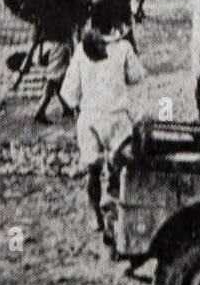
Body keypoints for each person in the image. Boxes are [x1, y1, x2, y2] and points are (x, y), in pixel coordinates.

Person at [61, 22, 146, 234]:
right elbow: (137, 76)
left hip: (89, 118)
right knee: (121, 168)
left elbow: (69, 94)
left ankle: (96, 217)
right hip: (116, 118)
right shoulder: (124, 46)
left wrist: (78, 108)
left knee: (92, 171)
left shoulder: (82, 49)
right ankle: (115, 212)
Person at [34, 33, 74, 123]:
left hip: (51, 73)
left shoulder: (53, 47)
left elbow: (44, 61)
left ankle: (66, 109)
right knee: (49, 95)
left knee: (59, 92)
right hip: (59, 74)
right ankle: (39, 114)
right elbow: (69, 59)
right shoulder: (66, 48)